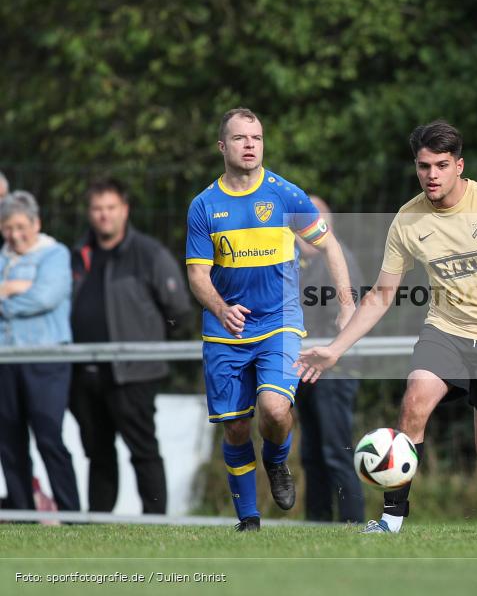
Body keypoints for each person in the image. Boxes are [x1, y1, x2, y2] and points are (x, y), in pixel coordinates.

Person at [296, 120, 477, 534]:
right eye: (423, 166)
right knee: (414, 400)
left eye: (440, 165)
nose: (431, 175)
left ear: (459, 165)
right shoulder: (407, 220)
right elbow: (382, 294)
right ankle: (391, 519)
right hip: (446, 331)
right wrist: (336, 348)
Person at [186, 108, 355, 532]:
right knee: (237, 428)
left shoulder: (284, 195)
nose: (250, 145)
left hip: (279, 323)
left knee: (276, 410)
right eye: (241, 138)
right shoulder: (204, 205)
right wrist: (221, 308)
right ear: (222, 146)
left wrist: (347, 303)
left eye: (256, 138)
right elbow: (196, 275)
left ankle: (277, 462)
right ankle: (249, 520)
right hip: (226, 330)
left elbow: (331, 247)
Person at [68, 178, 192, 515]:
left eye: (110, 208)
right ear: (89, 213)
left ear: (125, 210)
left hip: (134, 374)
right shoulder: (78, 255)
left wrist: (149, 340)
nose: (103, 215)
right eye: (97, 208)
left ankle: (155, 522)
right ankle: (97, 523)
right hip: (84, 374)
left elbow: (178, 310)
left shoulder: (149, 254)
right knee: (98, 453)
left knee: (143, 450)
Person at [0, 190, 80, 513]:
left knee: (49, 436)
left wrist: (5, 294)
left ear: (36, 224)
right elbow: (33, 296)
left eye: (20, 226)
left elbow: (45, 298)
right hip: (6, 360)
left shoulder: (55, 254)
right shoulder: (3, 257)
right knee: (9, 439)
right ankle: (21, 512)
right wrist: (16, 288)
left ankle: (72, 512)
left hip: (46, 360)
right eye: (7, 227)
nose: (14, 235)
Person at [295, 195, 365, 523]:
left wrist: (334, 354)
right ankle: (317, 524)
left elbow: (350, 319)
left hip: (335, 371)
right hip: (304, 369)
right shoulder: (296, 263)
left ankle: (352, 522)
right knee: (310, 455)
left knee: (336, 452)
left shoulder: (341, 262)